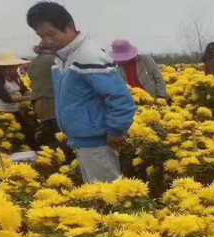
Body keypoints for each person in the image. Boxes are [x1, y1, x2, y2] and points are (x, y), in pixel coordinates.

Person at [26, 2, 136, 184]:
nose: (47, 41)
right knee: (95, 193)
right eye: (41, 36)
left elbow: (121, 99)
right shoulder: (64, 57)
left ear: (69, 26)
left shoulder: (89, 56)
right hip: (81, 138)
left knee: (108, 196)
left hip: (97, 141)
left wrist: (116, 130)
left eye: (51, 34)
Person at [0, 53, 36, 148]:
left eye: (15, 67)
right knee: (8, 137)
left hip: (14, 109)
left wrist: (32, 94)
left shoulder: (15, 76)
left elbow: (23, 90)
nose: (15, 69)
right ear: (2, 67)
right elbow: (6, 99)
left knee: (27, 132)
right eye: (11, 67)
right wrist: (30, 98)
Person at [27, 44, 59, 148]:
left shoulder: (32, 63)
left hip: (40, 105)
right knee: (60, 137)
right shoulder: (54, 59)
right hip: (53, 104)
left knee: (51, 136)